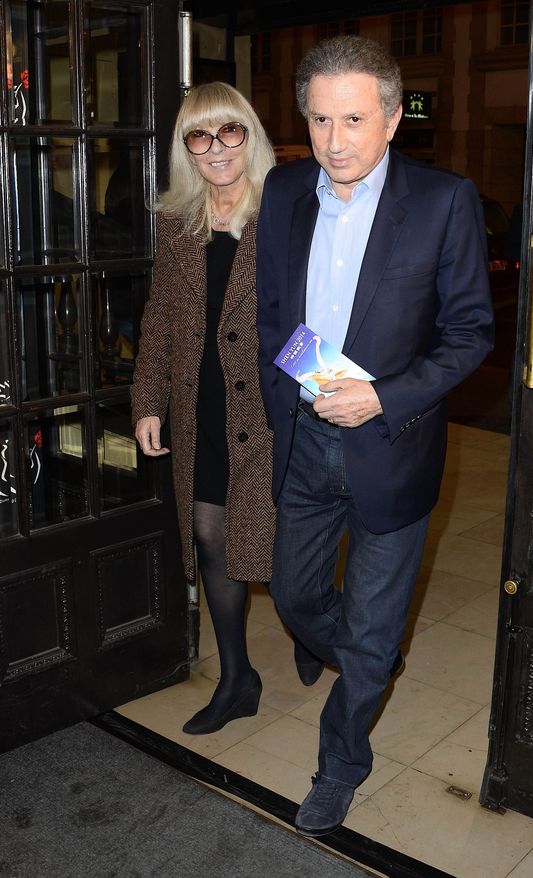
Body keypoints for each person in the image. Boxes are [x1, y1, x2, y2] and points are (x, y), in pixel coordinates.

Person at [256, 36, 495, 837]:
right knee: (293, 594)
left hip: (391, 445)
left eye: (354, 119)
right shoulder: (286, 188)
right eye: (320, 119)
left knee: (368, 627)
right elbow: (272, 315)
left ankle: (340, 765)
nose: (334, 141)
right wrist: (286, 393)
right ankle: (368, 654)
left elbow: (470, 334)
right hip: (301, 437)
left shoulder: (442, 200)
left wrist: (382, 398)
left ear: (392, 119)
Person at [131, 82, 278, 735]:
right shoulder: (179, 221)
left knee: (291, 551)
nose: (216, 149)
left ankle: (312, 632)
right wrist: (148, 400)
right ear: (184, 149)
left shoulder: (288, 211)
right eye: (200, 136)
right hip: (202, 408)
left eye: (230, 132)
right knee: (213, 538)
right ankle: (237, 678)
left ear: (250, 134)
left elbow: (319, 316)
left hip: (274, 411)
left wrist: (336, 395)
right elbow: (161, 317)